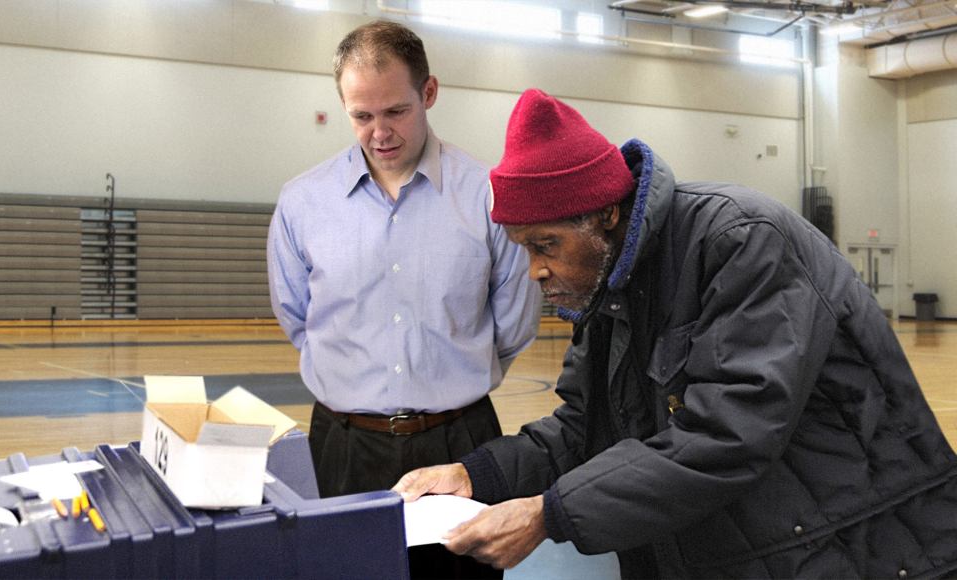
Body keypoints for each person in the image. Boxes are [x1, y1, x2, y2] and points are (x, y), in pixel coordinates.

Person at [394, 88, 957, 578]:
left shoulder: (740, 242)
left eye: (546, 245)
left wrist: (549, 513)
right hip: (736, 546)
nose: (535, 270)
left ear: (604, 216)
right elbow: (580, 428)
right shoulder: (606, 284)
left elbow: (727, 434)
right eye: (525, 250)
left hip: (849, 544)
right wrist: (475, 475)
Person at [266, 21, 541, 579]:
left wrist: (448, 384)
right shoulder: (301, 203)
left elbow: (513, 322)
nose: (379, 132)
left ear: (429, 93)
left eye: (396, 111)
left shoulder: (488, 197)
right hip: (342, 448)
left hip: (460, 442)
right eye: (361, 116)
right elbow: (298, 318)